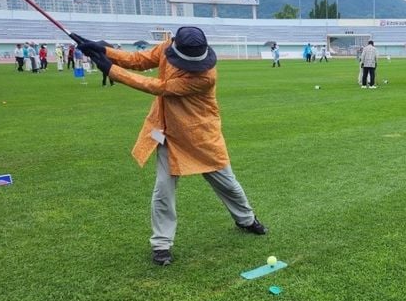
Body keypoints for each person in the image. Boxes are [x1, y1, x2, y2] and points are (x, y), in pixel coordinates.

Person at [77, 26, 268, 266]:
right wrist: (102, 49)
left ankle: (246, 219)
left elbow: (160, 88)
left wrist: (111, 70)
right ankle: (161, 244)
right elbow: (139, 59)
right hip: (166, 131)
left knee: (227, 182)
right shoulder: (167, 47)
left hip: (202, 137)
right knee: (163, 189)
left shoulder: (205, 77)